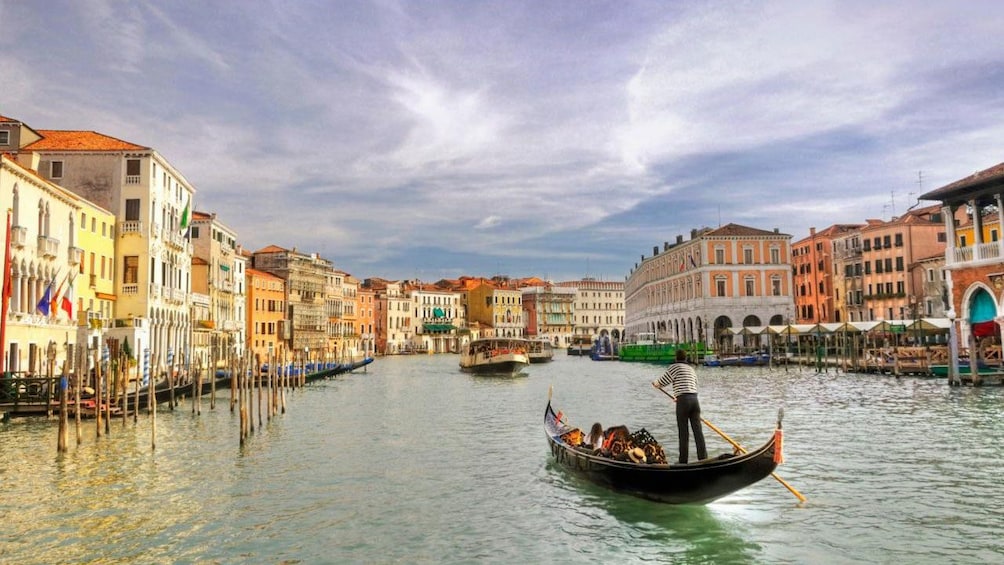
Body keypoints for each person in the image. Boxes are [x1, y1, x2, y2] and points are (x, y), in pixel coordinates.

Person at [652, 349, 707, 464]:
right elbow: (694, 385)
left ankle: (683, 461)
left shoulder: (674, 367)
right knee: (698, 432)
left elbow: (663, 381)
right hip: (695, 400)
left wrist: (655, 384)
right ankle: (703, 458)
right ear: (685, 358)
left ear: (676, 358)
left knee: (683, 433)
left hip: (683, 402)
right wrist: (679, 396)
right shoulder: (691, 369)